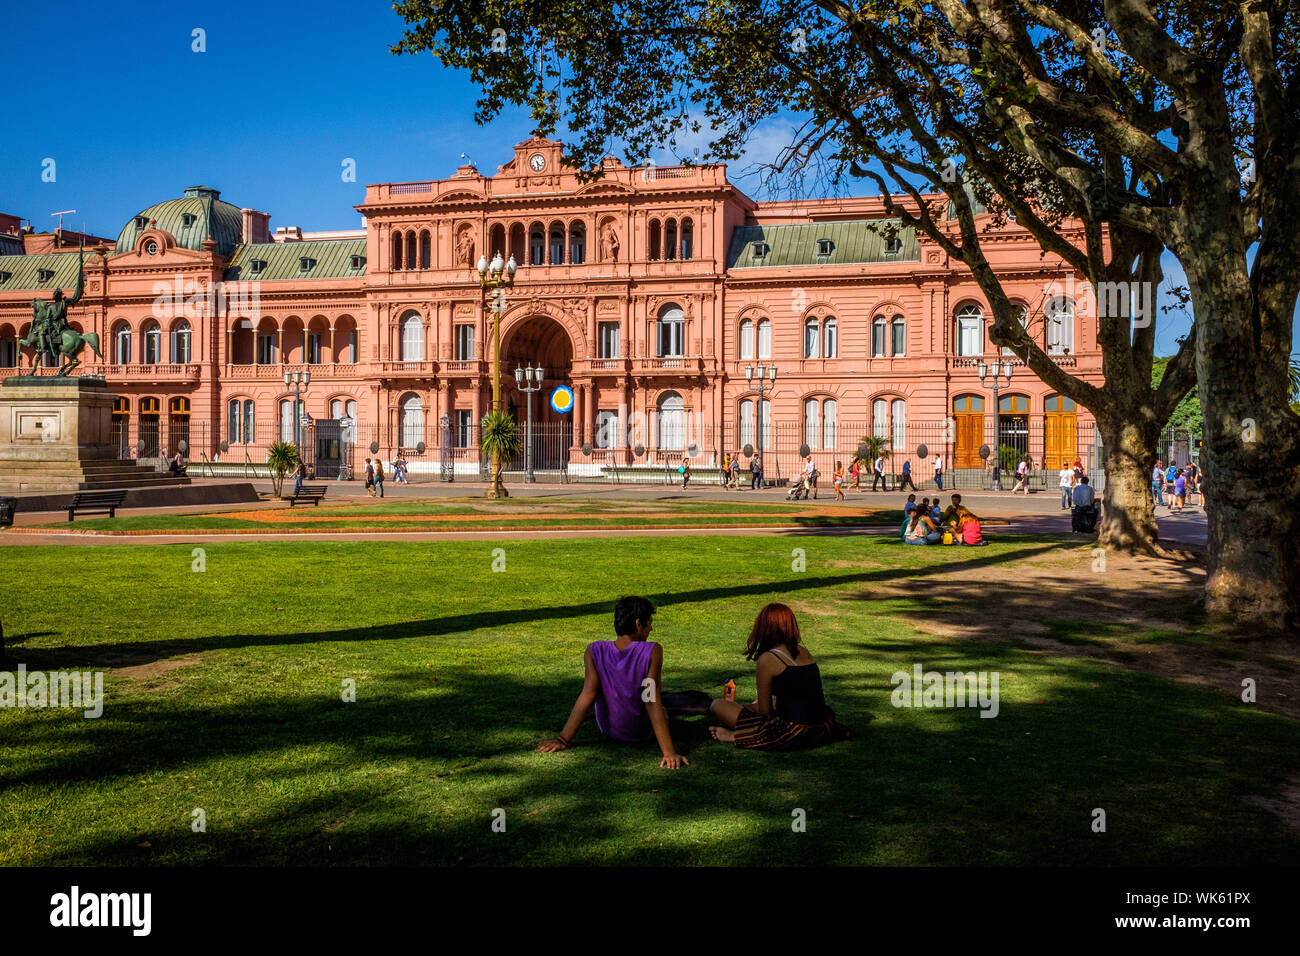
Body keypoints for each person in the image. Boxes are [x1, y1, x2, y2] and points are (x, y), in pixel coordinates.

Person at [537, 595, 689, 769]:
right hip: (642, 732)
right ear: (639, 624)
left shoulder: (594, 650)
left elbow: (588, 693)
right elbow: (651, 700)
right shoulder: (653, 650)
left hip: (610, 731)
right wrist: (669, 753)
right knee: (663, 707)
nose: (651, 628)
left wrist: (562, 739)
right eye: (650, 623)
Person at [706, 603, 849, 751]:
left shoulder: (768, 659)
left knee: (718, 705)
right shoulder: (804, 651)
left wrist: (753, 707)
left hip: (793, 733)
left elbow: (765, 714)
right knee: (764, 704)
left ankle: (734, 736)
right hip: (821, 727)